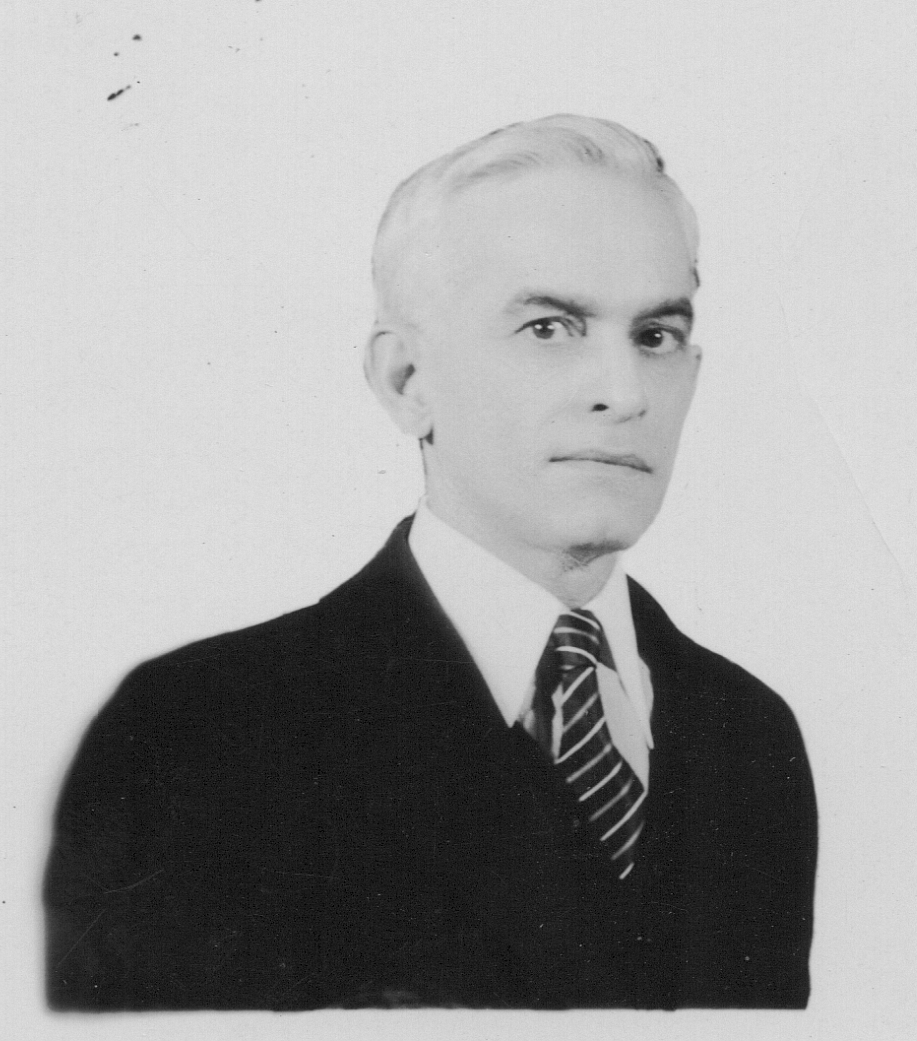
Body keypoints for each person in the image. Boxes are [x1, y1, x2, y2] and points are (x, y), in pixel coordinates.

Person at [44, 115, 817, 1010]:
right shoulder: (196, 733)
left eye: (655, 336)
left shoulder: (747, 734)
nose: (625, 392)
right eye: (548, 327)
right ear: (406, 380)